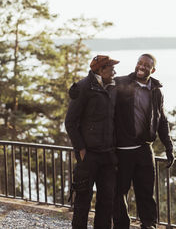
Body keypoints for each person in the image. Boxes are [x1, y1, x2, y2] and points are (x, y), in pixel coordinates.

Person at [113, 54, 175, 229]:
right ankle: (121, 226)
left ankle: (149, 226)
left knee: (146, 193)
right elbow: (98, 88)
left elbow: (162, 120)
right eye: (139, 63)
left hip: (145, 150)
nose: (141, 66)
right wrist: (77, 90)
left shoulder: (156, 91)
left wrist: (169, 147)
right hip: (122, 150)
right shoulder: (120, 83)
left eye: (146, 65)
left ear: (152, 69)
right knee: (119, 193)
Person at [65, 55, 119, 229]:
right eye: (111, 69)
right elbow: (70, 122)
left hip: (108, 156)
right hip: (88, 157)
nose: (114, 72)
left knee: (107, 202)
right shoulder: (82, 87)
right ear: (101, 70)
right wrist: (80, 149)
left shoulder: (113, 87)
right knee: (82, 203)